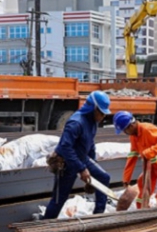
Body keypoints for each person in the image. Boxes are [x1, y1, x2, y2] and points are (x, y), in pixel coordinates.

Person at [43, 91, 112, 219]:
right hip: (67, 161)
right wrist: (81, 169)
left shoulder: (92, 121)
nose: (103, 116)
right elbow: (65, 147)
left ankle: (97, 217)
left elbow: (90, 144)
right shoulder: (76, 122)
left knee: (103, 178)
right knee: (59, 199)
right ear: (93, 108)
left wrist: (92, 170)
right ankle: (45, 224)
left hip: (82, 158)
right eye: (102, 113)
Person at [114, 111, 157, 208]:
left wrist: (149, 152)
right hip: (154, 165)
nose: (125, 133)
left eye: (124, 130)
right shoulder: (133, 137)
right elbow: (133, 155)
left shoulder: (147, 128)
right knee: (142, 185)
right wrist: (126, 178)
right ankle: (142, 211)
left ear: (131, 126)